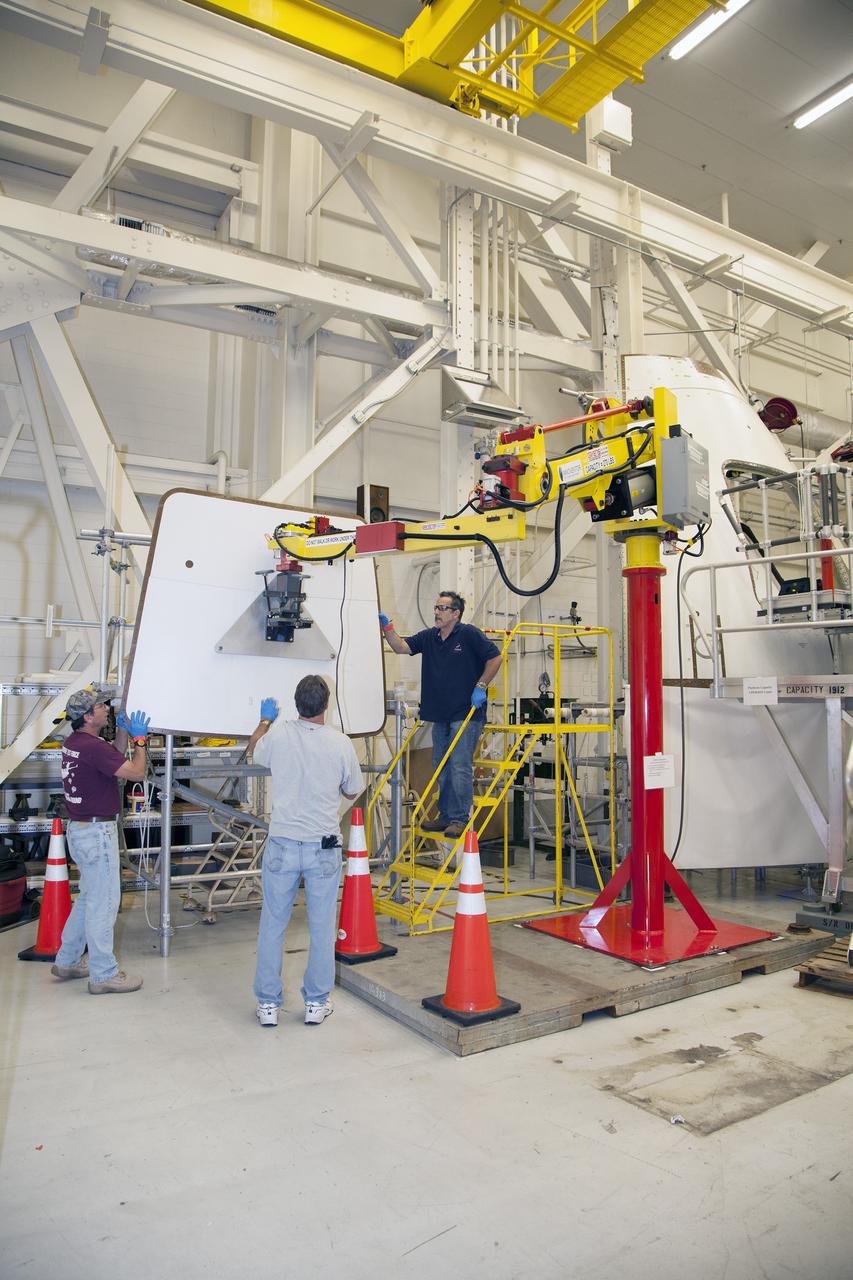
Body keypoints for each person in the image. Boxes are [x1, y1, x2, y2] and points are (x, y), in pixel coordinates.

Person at [247, 675, 363, 1029]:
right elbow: (353, 790)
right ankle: (316, 1003)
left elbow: (254, 750)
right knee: (322, 926)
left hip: (282, 842)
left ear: (296, 703)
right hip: (322, 846)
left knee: (273, 924)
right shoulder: (340, 743)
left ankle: (268, 1005)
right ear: (326, 705)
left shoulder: (278, 734)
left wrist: (264, 720)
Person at [379, 590, 502, 839]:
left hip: (465, 713)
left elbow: (495, 658)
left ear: (456, 613)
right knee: (441, 766)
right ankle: (446, 815)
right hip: (439, 715)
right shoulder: (429, 637)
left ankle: (459, 818)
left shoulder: (468, 634)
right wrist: (388, 628)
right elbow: (401, 647)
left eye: (442, 608)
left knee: (459, 766)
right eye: (436, 607)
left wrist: (481, 686)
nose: (436, 612)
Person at [52, 688, 150, 994]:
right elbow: (136, 773)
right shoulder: (93, 748)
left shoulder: (75, 743)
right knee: (104, 903)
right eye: (100, 706)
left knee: (88, 899)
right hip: (97, 834)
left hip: (80, 831)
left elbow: (112, 759)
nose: (106, 708)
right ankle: (104, 974)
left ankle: (67, 960)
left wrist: (121, 731)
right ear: (87, 716)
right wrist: (140, 741)